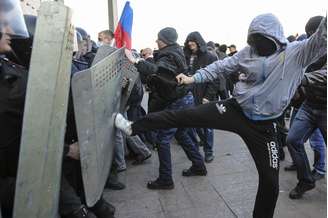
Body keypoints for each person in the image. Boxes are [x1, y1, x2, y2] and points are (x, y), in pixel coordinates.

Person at [116, 14, 327, 218]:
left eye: (262, 41)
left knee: (271, 183)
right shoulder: (248, 52)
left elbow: (322, 36)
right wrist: (193, 78)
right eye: (254, 40)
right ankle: (132, 127)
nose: (258, 46)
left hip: (265, 128)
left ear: (276, 38)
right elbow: (221, 66)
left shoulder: (298, 53)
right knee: (181, 116)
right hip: (235, 110)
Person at [124, 27, 207, 190]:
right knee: (182, 134)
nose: (156, 41)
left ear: (165, 41)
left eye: (158, 39)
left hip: (177, 101)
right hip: (184, 99)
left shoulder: (168, 54)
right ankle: (199, 165)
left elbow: (158, 72)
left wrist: (136, 61)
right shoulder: (175, 51)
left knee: (162, 139)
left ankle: (165, 179)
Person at [287, 15, 327, 200]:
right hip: (309, 105)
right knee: (293, 140)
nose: (313, 37)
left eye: (315, 33)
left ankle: (319, 168)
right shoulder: (307, 50)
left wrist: (302, 79)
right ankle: (305, 180)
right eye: (309, 34)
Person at [183, 32, 218, 162]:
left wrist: (208, 96)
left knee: (207, 126)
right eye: (188, 41)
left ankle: (209, 151)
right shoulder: (186, 56)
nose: (190, 43)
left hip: (204, 97)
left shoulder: (210, 57)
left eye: (193, 40)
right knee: (195, 125)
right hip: (189, 97)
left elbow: (215, 79)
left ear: (199, 41)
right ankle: (202, 145)